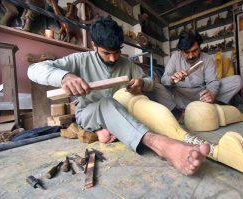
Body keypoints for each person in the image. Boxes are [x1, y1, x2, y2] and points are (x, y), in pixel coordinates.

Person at [27, 16, 209, 176]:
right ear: (94, 46)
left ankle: (173, 123)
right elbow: (34, 70)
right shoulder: (80, 60)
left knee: (156, 89)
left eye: (117, 52)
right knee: (107, 103)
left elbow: (151, 80)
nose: (113, 59)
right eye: (106, 53)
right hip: (90, 113)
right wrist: (65, 76)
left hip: (121, 112)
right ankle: (161, 145)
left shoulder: (126, 64)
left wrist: (142, 84)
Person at [154, 30, 243, 116]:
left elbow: (212, 81)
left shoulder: (207, 58)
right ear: (181, 51)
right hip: (180, 96)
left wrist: (211, 93)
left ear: (199, 47)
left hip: (201, 95)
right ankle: (179, 114)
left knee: (237, 80)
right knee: (156, 87)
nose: (191, 56)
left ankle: (209, 105)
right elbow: (164, 79)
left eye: (194, 51)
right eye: (187, 52)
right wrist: (172, 80)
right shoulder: (175, 57)